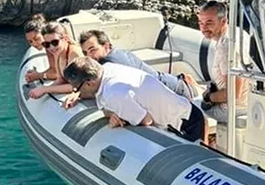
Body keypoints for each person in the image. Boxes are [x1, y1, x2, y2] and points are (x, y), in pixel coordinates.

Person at [63, 57, 205, 143]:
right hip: (186, 111)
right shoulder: (108, 69)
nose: (77, 92)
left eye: (77, 88)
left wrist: (123, 118)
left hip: (185, 125)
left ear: (89, 83)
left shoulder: (113, 94)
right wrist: (114, 113)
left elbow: (146, 121)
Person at [77, 29, 197, 99]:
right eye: (85, 53)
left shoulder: (111, 63)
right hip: (173, 86)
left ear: (106, 46)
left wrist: (78, 94)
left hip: (176, 93)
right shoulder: (116, 53)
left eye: (93, 50)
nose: (89, 57)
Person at [196, 0, 247, 125]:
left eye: (209, 22)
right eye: (201, 23)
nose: (204, 28)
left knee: (186, 108)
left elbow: (233, 93)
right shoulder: (238, 33)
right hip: (246, 104)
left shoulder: (226, 47)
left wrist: (208, 97)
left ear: (223, 21)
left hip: (231, 109)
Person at [26, 22, 83, 99]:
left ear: (65, 38)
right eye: (47, 44)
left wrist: (45, 89)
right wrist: (42, 91)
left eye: (55, 42)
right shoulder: (57, 53)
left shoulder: (74, 54)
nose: (51, 47)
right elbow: (60, 80)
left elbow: (77, 86)